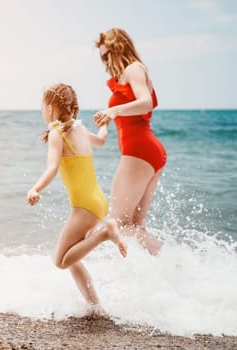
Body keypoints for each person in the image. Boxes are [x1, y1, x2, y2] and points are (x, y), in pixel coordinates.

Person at [27, 83, 127, 311]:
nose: (42, 112)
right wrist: (105, 126)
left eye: (43, 107)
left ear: (51, 109)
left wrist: (35, 189)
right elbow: (101, 141)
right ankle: (96, 308)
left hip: (84, 207)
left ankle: (105, 233)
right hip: (97, 202)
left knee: (61, 261)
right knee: (73, 258)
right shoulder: (80, 129)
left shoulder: (57, 134)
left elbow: (52, 168)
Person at [93, 28, 167, 255]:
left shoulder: (133, 68)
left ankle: (174, 265)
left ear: (119, 48)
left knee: (120, 224)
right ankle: (172, 269)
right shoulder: (132, 72)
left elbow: (145, 102)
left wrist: (114, 110)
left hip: (139, 152)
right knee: (133, 227)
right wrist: (108, 118)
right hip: (148, 153)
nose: (105, 63)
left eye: (106, 56)